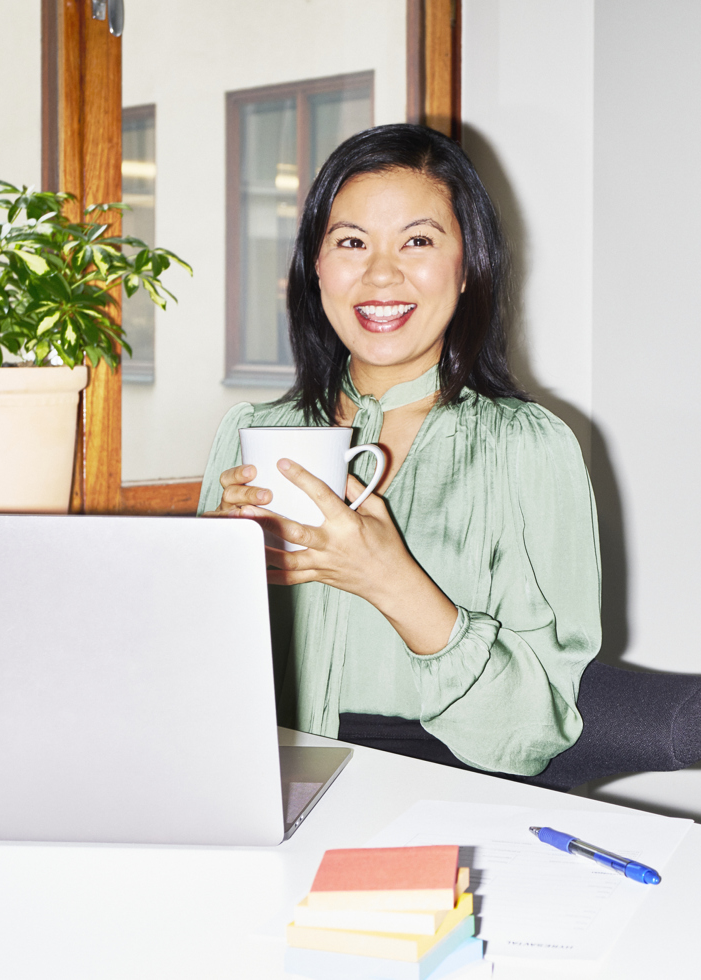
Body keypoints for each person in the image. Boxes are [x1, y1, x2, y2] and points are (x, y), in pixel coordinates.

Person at [198, 124, 601, 779]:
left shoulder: (529, 447)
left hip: (435, 786)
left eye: (418, 241)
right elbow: (194, 685)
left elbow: (533, 733)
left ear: (468, 266)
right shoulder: (249, 431)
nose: (381, 273)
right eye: (351, 242)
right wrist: (210, 583)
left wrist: (390, 580)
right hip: (251, 776)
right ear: (316, 268)